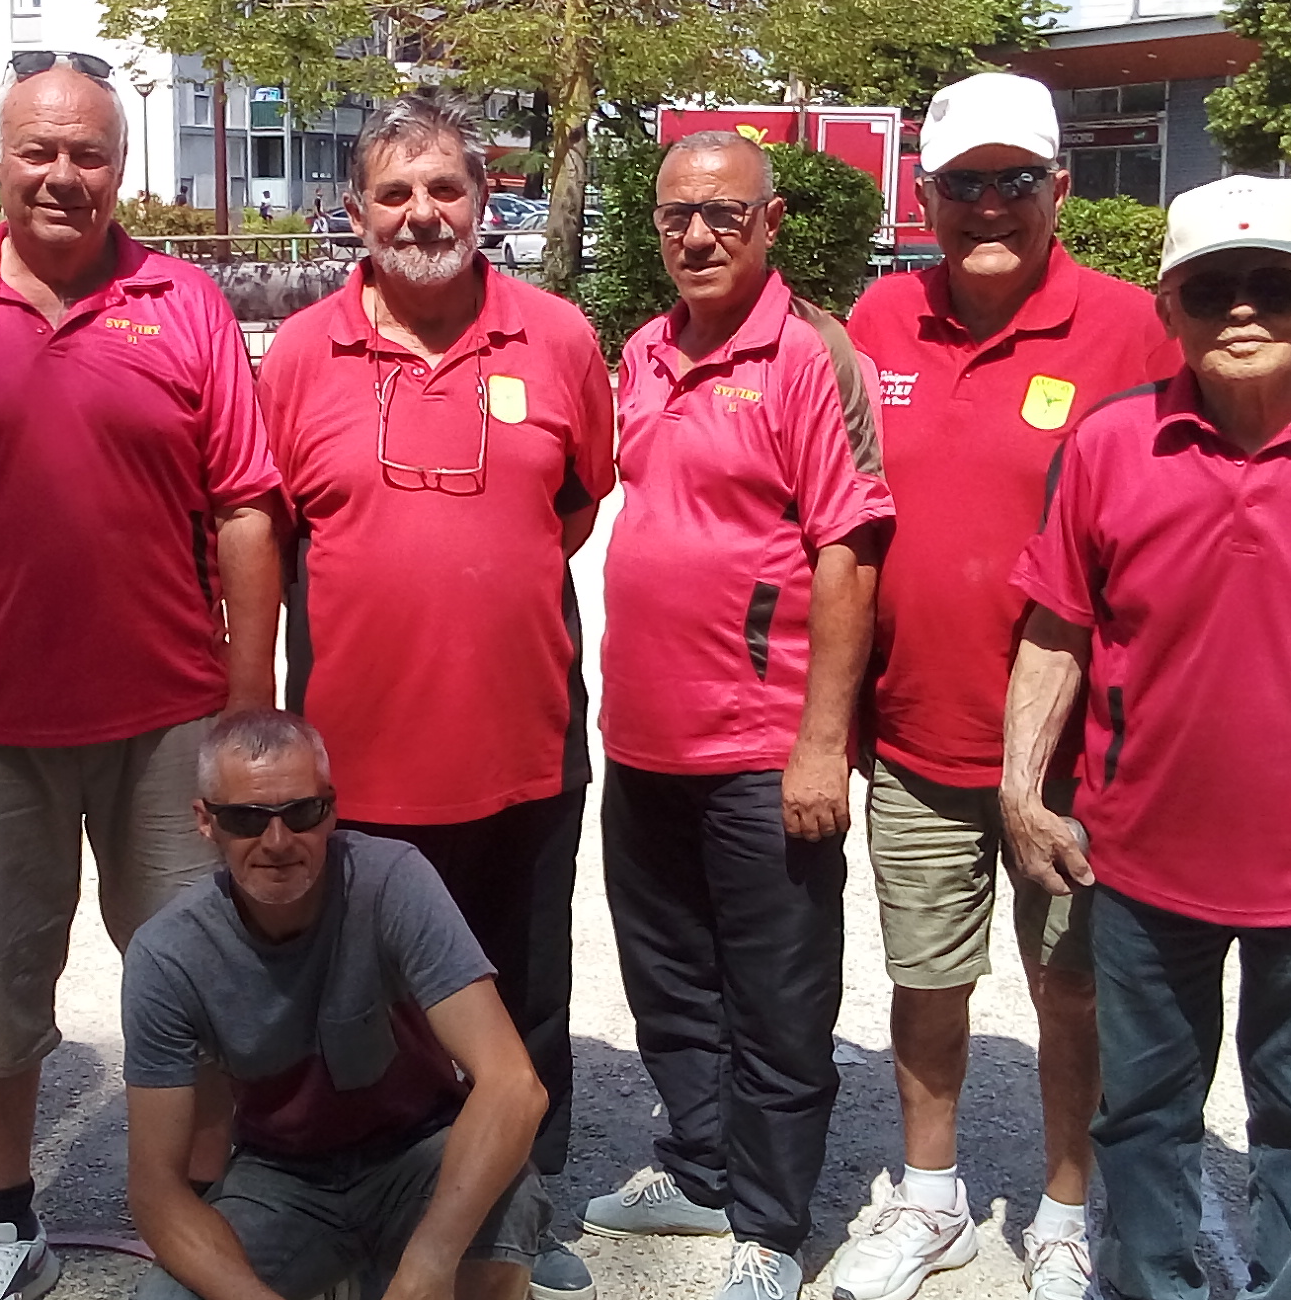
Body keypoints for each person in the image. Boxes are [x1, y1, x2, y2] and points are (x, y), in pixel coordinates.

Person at [0, 50, 284, 1300]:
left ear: (120, 167)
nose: (62, 174)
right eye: (38, 148)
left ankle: (195, 1211)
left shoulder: (184, 304)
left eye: (88, 152)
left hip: (168, 726)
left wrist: (248, 712)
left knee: (199, 976)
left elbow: (246, 512)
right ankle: (6, 1217)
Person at [1000, 175, 1291, 1300]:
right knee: (1146, 1110)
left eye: (1272, 284)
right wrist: (1020, 793)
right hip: (1143, 858)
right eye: (1212, 290)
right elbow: (1054, 634)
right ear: (1169, 309)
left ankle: (1289, 1287)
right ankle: (1150, 1282)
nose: (1244, 312)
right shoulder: (1110, 444)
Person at [256, 92, 613, 1299]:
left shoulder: (558, 338)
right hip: (357, 764)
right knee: (370, 1004)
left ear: (486, 200)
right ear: (354, 213)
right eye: (395, 193)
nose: (422, 214)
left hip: (522, 748)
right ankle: (376, 1196)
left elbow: (575, 503)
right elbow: (273, 530)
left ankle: (519, 1200)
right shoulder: (302, 354)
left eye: (445, 188)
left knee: (524, 992)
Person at [835, 71, 1179, 1300]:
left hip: (1078, 751)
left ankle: (1067, 1206)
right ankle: (928, 1201)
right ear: (923, 196)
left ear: (1059, 189)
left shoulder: (1134, 328)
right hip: (918, 731)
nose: (989, 206)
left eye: (1014, 181)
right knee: (927, 980)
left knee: (1070, 991)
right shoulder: (878, 321)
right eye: (963, 184)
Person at [583, 130, 893, 1300]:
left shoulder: (812, 355)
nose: (697, 237)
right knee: (667, 974)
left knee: (776, 993)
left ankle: (769, 1223)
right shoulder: (647, 349)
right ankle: (700, 1165)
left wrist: (822, 744)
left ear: (768, 225)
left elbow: (850, 549)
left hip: (763, 746)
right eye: (675, 218)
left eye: (722, 215)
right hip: (647, 736)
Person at [124, 709, 555, 1300]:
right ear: (206, 822)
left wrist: (428, 1266)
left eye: (301, 813)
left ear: (331, 808)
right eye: (248, 819)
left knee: (496, 1232)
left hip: (417, 1150)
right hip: (281, 1175)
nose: (278, 842)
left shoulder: (391, 881)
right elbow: (156, 1193)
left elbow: (514, 1086)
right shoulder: (167, 956)